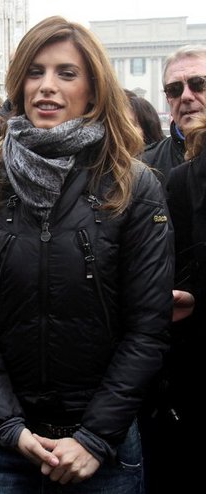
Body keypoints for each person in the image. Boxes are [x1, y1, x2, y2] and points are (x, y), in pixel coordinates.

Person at [0, 16, 173, 493]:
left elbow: (148, 326)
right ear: (20, 84)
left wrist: (94, 438)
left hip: (103, 451)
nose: (46, 86)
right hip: (7, 448)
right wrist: (8, 427)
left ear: (92, 91)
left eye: (66, 73)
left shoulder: (134, 186)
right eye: (35, 71)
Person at [143, 114, 206, 494]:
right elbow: (177, 267)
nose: (186, 96)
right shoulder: (181, 179)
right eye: (174, 89)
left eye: (198, 86)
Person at [142, 45, 206, 187]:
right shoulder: (144, 167)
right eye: (174, 89)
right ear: (167, 99)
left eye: (198, 83)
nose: (186, 96)